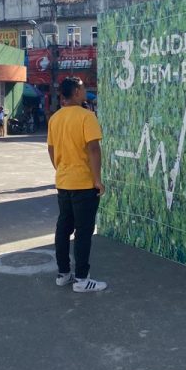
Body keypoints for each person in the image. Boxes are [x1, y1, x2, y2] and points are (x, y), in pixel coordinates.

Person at [47, 76, 107, 293]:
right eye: (82, 88)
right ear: (75, 92)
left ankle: (63, 274)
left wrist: (61, 169)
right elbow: (93, 149)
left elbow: (51, 149)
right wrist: (97, 179)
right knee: (83, 232)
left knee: (63, 228)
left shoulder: (55, 118)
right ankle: (82, 279)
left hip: (63, 182)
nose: (85, 91)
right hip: (83, 183)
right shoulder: (86, 116)